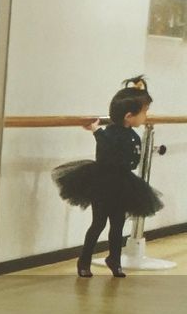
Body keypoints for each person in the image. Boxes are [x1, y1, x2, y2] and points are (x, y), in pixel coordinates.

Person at [52, 76, 164, 277]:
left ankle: (114, 259)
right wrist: (96, 130)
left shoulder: (132, 135)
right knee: (98, 223)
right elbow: (107, 151)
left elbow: (132, 159)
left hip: (122, 184)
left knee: (118, 224)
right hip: (103, 184)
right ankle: (84, 261)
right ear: (129, 116)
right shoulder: (109, 134)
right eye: (144, 112)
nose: (146, 116)